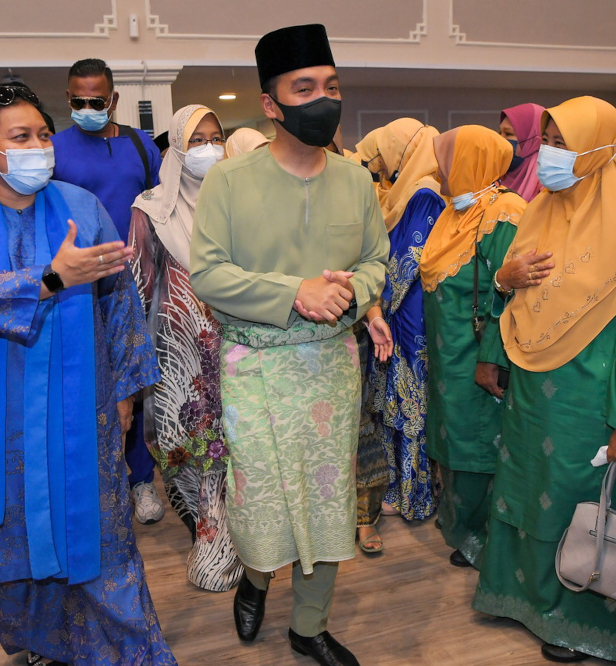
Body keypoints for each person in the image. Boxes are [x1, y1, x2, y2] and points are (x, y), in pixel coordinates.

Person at [0, 82, 175, 666]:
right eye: (20, 138)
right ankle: (41, 646)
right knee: (17, 540)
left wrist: (129, 390)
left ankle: (133, 653)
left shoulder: (82, 206)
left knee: (102, 536)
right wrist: (49, 279)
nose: (39, 147)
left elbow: (119, 301)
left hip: (86, 400)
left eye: (42, 135)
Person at [190, 23, 388, 666]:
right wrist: (293, 292)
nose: (322, 99)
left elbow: (378, 263)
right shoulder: (229, 181)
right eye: (304, 88)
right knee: (261, 494)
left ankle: (310, 623)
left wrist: (354, 290)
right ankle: (255, 578)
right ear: (271, 104)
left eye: (330, 86)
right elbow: (209, 275)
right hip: (257, 367)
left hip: (331, 365)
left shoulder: (357, 180)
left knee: (330, 495)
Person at [472, 96, 616, 663]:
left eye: (565, 142)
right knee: (526, 487)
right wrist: (504, 278)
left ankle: (579, 619)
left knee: (577, 500)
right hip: (534, 387)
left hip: (592, 398)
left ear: (600, 148)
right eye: (549, 141)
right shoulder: (542, 211)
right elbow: (514, 299)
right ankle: (521, 596)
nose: (551, 156)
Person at [130, 103, 242, 592]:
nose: (209, 149)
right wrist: (134, 362)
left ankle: (223, 542)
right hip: (177, 354)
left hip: (238, 347)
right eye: (196, 140)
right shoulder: (150, 208)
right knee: (182, 446)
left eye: (216, 138)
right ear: (176, 145)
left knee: (231, 445)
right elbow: (136, 288)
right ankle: (206, 527)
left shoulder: (241, 198)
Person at [51, 57, 165, 525]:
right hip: (79, 285)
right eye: (77, 100)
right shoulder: (54, 148)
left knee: (132, 383)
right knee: (86, 384)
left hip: (138, 279)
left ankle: (141, 480)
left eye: (95, 101)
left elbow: (161, 208)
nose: (86, 107)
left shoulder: (140, 145)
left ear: (113, 100)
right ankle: (94, 485)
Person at [419, 125, 527, 569]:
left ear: (470, 162)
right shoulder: (454, 214)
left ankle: (487, 542)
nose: (439, 169)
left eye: (447, 160)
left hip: (481, 357)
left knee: (482, 446)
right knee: (457, 442)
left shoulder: (505, 214)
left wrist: (491, 360)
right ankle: (463, 531)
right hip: (450, 358)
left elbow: (515, 294)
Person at [350, 118, 444, 551]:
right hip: (396, 313)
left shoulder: (424, 192)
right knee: (399, 403)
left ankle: (416, 495)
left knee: (412, 404)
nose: (382, 166)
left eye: (387, 157)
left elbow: (408, 260)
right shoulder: (407, 189)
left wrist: (371, 299)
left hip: (409, 315)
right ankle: (401, 489)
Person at [497, 103, 545, 202]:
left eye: (508, 134)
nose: (499, 139)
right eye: (499, 133)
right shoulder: (494, 179)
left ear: (533, 141)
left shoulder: (547, 187)